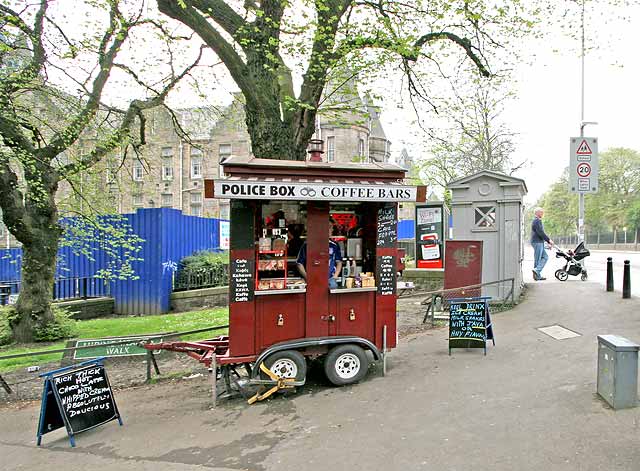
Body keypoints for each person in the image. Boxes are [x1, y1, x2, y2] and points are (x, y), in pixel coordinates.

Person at [296, 218, 343, 289]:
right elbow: (299, 263)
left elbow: (339, 262)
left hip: (330, 281)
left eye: (332, 227)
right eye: (330, 227)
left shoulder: (334, 245)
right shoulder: (307, 245)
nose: (332, 230)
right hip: (313, 281)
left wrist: (334, 277)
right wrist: (307, 277)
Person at [531, 207, 554, 281]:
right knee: (538, 259)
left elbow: (540, 233)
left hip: (539, 242)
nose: (543, 214)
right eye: (541, 212)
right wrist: (548, 240)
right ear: (537, 213)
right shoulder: (537, 221)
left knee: (545, 257)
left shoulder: (537, 221)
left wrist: (547, 243)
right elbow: (540, 232)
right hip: (537, 242)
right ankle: (537, 273)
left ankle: (537, 272)